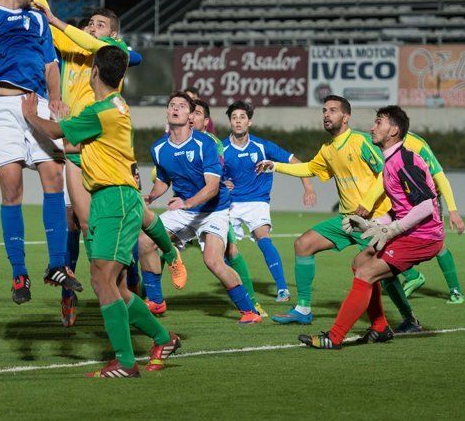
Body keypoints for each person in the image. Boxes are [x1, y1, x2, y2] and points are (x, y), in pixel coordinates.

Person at [25, 0, 183, 325]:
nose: (93, 28)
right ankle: (76, 290)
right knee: (78, 222)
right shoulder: (68, 50)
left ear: (113, 34)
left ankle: (153, 264)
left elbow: (129, 54)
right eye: (90, 23)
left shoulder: (115, 54)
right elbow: (43, 12)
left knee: (132, 211)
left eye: (99, 24)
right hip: (76, 145)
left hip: (107, 143)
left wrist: (56, 19)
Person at [22, 45, 181, 377]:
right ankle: (163, 338)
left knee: (100, 278)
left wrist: (29, 114)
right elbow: (77, 136)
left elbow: (54, 134)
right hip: (113, 199)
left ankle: (125, 361)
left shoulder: (100, 111)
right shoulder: (115, 106)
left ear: (94, 72)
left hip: (115, 200)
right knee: (117, 287)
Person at [0, 0, 82, 306]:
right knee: (11, 190)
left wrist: (56, 100)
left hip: (39, 105)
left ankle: (57, 265)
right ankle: (19, 272)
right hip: (2, 109)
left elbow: (51, 64)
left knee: (53, 178)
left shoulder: (37, 19)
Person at [256, 95, 421, 333]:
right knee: (303, 244)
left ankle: (409, 319)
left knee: (382, 274)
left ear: (346, 116)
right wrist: (276, 165)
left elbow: (387, 173)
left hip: (376, 220)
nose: (326, 115)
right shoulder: (328, 149)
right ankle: (303, 309)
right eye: (324, 110)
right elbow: (310, 168)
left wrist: (367, 201)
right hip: (347, 221)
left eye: (332, 110)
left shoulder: (362, 141)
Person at [299, 106, 445, 349]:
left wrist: (393, 229)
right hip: (411, 232)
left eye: (379, 123)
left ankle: (333, 338)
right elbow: (401, 207)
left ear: (394, 130)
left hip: (423, 237)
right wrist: (372, 224)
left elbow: (426, 206)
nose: (371, 127)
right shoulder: (391, 161)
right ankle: (380, 327)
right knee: (359, 264)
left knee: (366, 274)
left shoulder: (404, 161)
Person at [139, 92, 262, 325]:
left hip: (213, 210)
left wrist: (185, 203)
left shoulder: (205, 143)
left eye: (182, 106)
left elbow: (213, 187)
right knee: (144, 241)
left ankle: (249, 311)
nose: (176, 108)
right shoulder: (158, 148)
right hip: (185, 210)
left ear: (190, 116)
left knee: (213, 260)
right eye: (172, 105)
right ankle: (156, 300)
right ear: (167, 112)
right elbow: (163, 178)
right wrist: (152, 196)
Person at [221, 100, 316, 302]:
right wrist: (223, 182)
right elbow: (210, 174)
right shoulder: (221, 149)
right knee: (226, 249)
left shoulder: (262, 146)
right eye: (234, 118)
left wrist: (308, 186)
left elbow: (297, 163)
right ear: (230, 122)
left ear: (250, 122)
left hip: (257, 201)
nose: (238, 121)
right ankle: (241, 292)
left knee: (263, 237)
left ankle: (282, 288)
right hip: (230, 204)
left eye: (242, 117)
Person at [356, 132, 465, 303]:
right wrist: (368, 202)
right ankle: (412, 277)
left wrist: (452, 209)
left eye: (381, 122)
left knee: (438, 246)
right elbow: (384, 177)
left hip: (426, 199)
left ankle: (455, 290)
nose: (375, 128)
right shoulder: (385, 147)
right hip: (402, 201)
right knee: (387, 237)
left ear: (394, 127)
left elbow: (439, 175)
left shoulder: (416, 144)